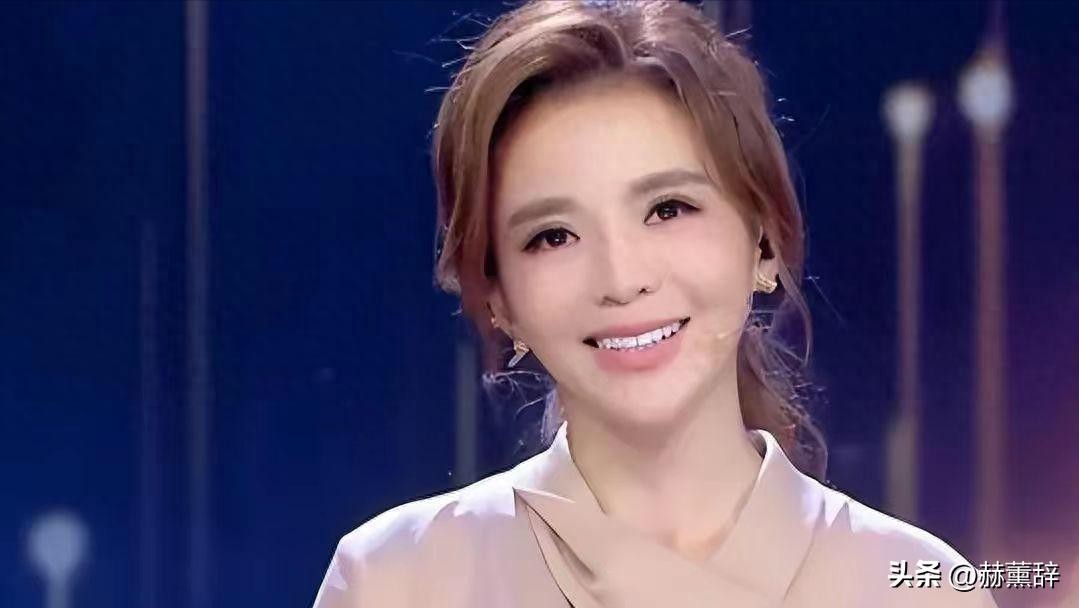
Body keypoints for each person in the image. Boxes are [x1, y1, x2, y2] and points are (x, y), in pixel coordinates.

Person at [312, 1, 998, 606]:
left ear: (762, 242)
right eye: (553, 236)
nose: (622, 277)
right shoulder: (396, 581)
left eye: (668, 209)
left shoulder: (917, 587)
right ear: (498, 300)